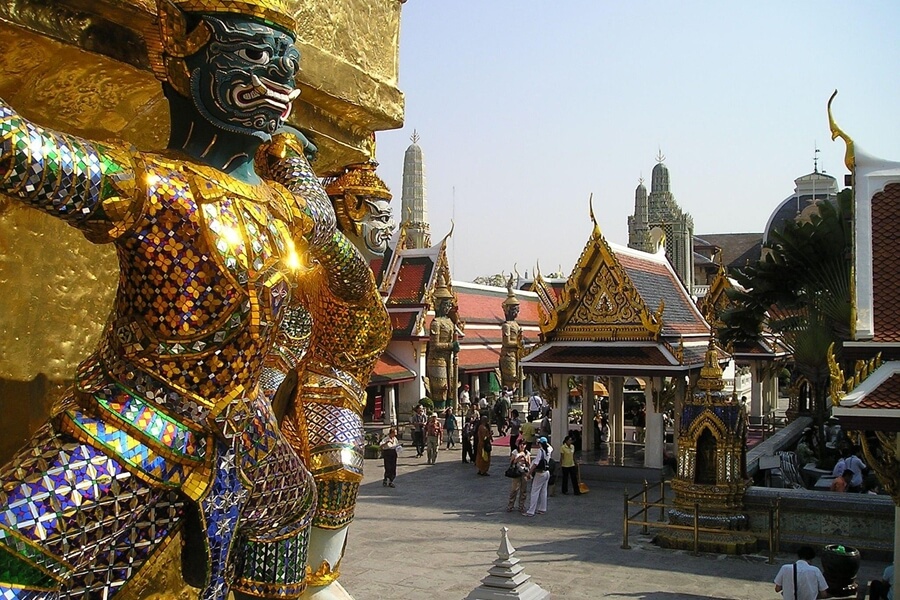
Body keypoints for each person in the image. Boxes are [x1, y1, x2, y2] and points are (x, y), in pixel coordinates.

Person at [0, 3, 393, 597]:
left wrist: (319, 218)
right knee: (18, 553)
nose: (281, 84)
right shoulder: (150, 186)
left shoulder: (285, 209)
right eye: (255, 58)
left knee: (292, 503)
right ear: (179, 59)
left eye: (289, 67)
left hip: (246, 431)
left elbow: (362, 315)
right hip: (135, 419)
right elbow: (22, 153)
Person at [524, 437, 553, 516]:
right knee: (544, 491)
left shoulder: (541, 451)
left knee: (534, 492)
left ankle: (531, 511)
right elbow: (549, 445)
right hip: (547, 472)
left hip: (540, 473)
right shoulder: (549, 449)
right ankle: (542, 508)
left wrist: (529, 473)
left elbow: (536, 464)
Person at [507, 438, 531, 513]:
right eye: (521, 444)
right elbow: (511, 462)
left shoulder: (527, 453)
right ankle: (510, 505)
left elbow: (529, 464)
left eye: (524, 444)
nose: (522, 446)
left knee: (523, 490)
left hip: (524, 472)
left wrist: (526, 460)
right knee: (514, 489)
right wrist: (517, 459)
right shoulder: (515, 452)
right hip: (516, 472)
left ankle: (521, 506)